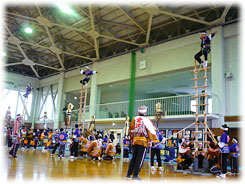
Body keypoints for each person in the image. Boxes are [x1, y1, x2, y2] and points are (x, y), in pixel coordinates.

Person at [126, 106, 157, 181]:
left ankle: (128, 175)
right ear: (145, 112)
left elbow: (130, 131)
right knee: (139, 160)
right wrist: (151, 141)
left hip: (135, 141)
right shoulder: (147, 120)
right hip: (143, 142)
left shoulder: (134, 119)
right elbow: (151, 131)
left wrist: (132, 140)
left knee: (133, 158)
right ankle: (135, 176)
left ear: (138, 112)